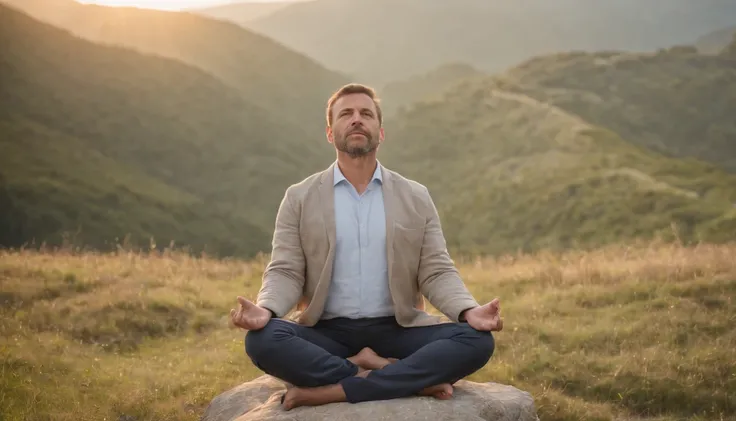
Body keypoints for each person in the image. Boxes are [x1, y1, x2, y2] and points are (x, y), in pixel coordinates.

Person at [230, 83, 503, 410]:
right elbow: (286, 270)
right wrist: (267, 310)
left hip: (398, 329)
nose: (356, 119)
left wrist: (469, 310)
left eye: (366, 114)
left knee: (476, 340)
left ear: (380, 131)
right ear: (330, 133)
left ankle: (333, 389)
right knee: (263, 340)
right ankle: (392, 374)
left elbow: (436, 270)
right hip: (327, 333)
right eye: (346, 114)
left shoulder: (415, 196)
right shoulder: (299, 197)